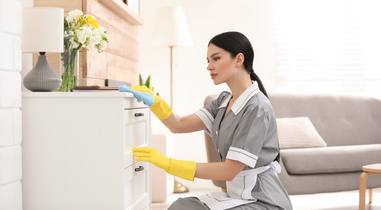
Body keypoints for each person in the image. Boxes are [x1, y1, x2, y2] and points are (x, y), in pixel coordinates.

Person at [120, 31, 292, 210]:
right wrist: (156, 102)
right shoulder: (223, 102)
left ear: (239, 59)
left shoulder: (257, 107)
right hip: (237, 195)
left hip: (263, 201)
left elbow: (229, 170)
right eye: (208, 61)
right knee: (179, 207)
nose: (209, 66)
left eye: (216, 58)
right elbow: (179, 125)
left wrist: (169, 164)